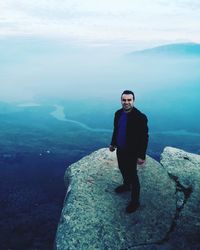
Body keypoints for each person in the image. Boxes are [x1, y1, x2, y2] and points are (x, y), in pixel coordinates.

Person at [109, 90, 149, 213]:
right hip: (120, 149)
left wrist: (141, 156)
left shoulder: (140, 117)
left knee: (133, 175)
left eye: (129, 100)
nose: (126, 102)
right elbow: (116, 130)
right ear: (121, 100)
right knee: (122, 168)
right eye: (124, 100)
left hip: (132, 152)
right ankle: (126, 186)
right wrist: (113, 143)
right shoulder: (118, 113)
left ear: (133, 101)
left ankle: (135, 202)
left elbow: (144, 137)